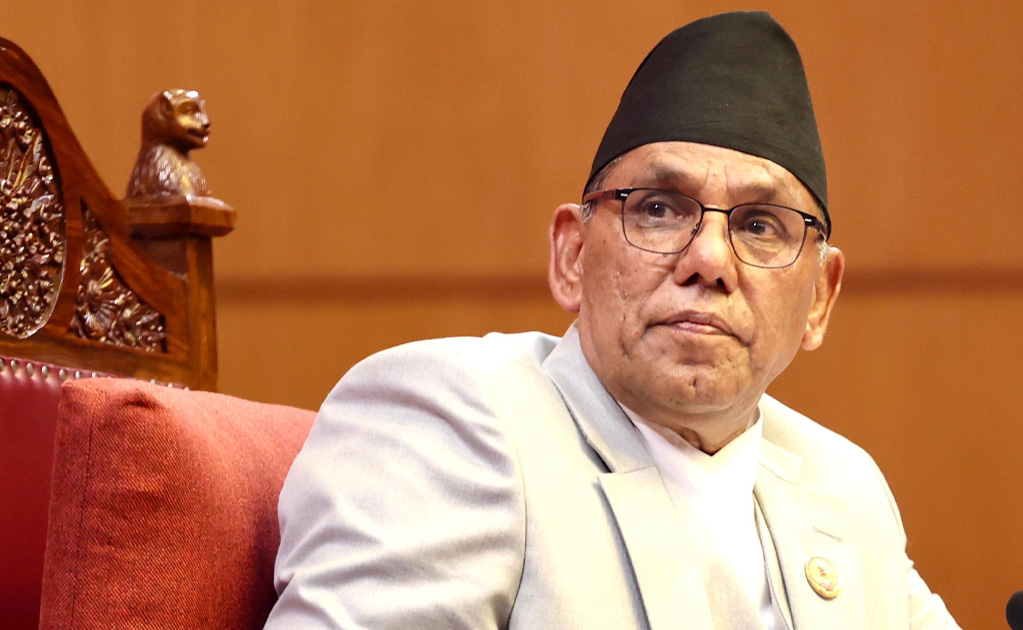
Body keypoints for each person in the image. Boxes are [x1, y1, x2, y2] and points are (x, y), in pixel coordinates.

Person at [267, 11, 961, 630]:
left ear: (818, 300)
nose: (709, 260)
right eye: (658, 209)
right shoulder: (453, 419)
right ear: (572, 255)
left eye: (759, 225)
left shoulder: (843, 485)